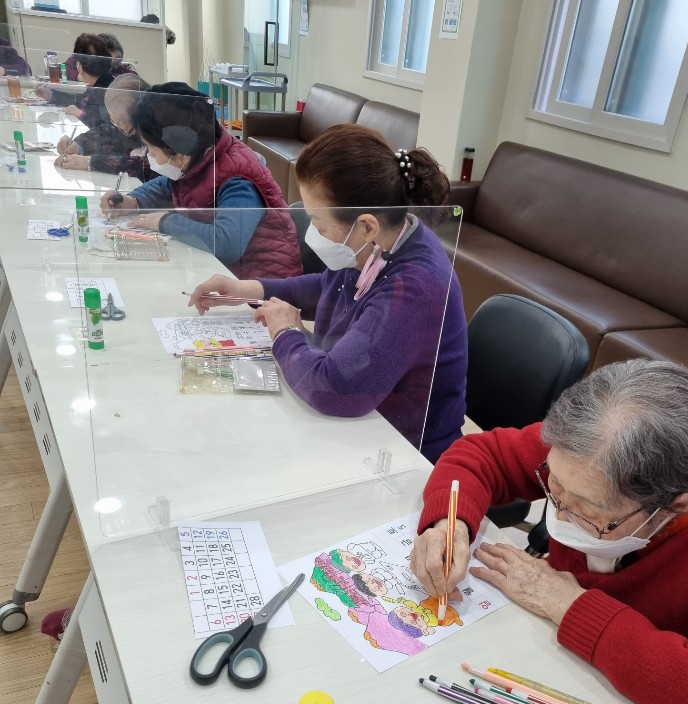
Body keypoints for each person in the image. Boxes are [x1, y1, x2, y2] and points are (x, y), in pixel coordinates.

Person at [410, 359, 688, 704]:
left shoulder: (645, 470)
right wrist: (449, 523)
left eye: (587, 512)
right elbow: (481, 455)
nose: (557, 516)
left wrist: (570, 605)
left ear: (674, 506)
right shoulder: (588, 448)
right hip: (539, 655)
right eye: (553, 488)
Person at [188, 124, 468, 462]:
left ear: (367, 226)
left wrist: (285, 333)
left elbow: (335, 388)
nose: (314, 233)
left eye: (320, 225)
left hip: (408, 452)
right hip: (365, 424)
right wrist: (249, 289)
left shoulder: (416, 287)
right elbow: (327, 285)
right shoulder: (383, 239)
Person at [99, 82, 302, 279]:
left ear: (179, 150)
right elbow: (170, 185)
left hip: (263, 286)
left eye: (152, 149)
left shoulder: (238, 181)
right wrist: (133, 200)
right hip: (223, 272)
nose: (149, 155)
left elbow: (227, 244)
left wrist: (165, 222)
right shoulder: (201, 155)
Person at [55, 73, 156, 180]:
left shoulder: (158, 135)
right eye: (114, 122)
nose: (119, 128)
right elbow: (109, 132)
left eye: (121, 124)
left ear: (139, 118)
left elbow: (144, 166)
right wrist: (80, 144)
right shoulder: (124, 126)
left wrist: (91, 162)